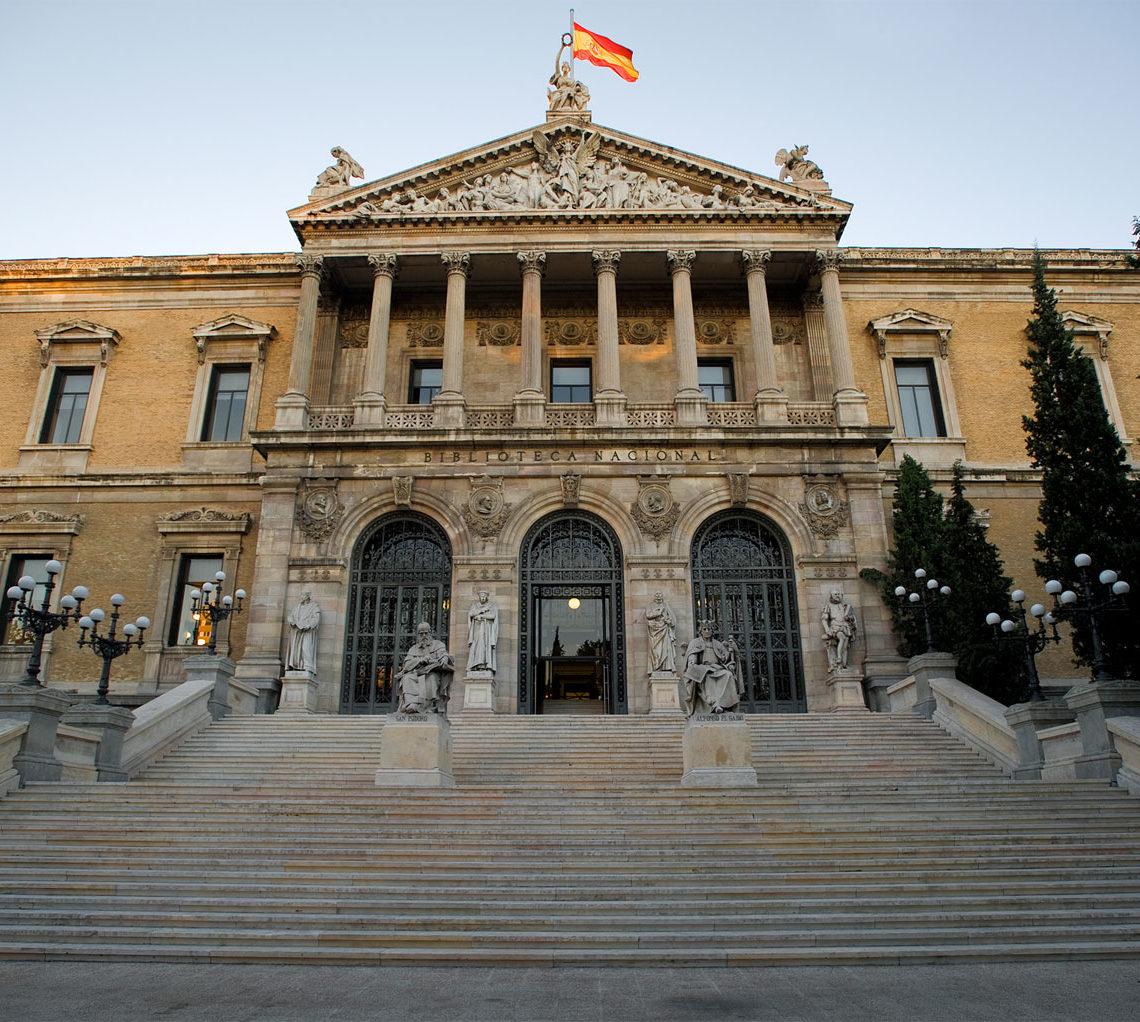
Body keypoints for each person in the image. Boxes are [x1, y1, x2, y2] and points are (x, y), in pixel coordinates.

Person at [683, 621, 743, 715]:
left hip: (718, 669)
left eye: (709, 629)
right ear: (701, 631)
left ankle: (724, 705)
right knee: (706, 676)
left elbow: (726, 659)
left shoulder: (718, 644)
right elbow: (692, 656)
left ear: (712, 631)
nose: (707, 631)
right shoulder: (695, 643)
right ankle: (715, 704)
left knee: (728, 675)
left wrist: (731, 664)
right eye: (704, 629)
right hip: (703, 668)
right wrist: (692, 662)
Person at [396, 622, 455, 715]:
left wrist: (444, 658)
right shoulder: (413, 649)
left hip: (432, 673)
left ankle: (427, 706)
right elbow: (407, 664)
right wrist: (420, 660)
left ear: (430, 633)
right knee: (407, 678)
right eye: (421, 634)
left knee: (430, 679)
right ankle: (411, 704)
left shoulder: (438, 644)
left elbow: (443, 653)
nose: (424, 636)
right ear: (418, 635)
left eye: (426, 633)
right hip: (416, 674)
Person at [821, 590, 858, 671]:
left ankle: (843, 665)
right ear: (832, 596)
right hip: (835, 626)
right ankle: (839, 657)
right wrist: (827, 630)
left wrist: (849, 618)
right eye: (835, 594)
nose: (837, 596)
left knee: (845, 647)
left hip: (845, 626)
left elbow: (851, 618)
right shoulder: (829, 606)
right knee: (841, 637)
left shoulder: (845, 606)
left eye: (838, 594)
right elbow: (824, 619)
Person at [286, 590, 320, 672]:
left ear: (308, 596)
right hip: (297, 631)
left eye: (303, 595)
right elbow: (291, 616)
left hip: (307, 631)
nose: (301, 597)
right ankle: (296, 666)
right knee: (296, 649)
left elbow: (315, 619)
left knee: (306, 648)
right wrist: (292, 621)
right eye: (301, 595)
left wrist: (308, 626)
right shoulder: (297, 607)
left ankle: (307, 666)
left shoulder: (314, 607)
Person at [467, 592, 499, 672]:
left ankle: (486, 665)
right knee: (477, 646)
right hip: (477, 629)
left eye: (484, 596)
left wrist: (482, 616)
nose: (483, 598)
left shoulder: (491, 606)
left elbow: (493, 615)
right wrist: (480, 611)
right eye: (481, 596)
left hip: (487, 630)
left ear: (486, 597)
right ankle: (476, 665)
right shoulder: (475, 606)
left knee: (485, 646)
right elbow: (470, 614)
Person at [645, 591, 677, 673]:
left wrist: (669, 621)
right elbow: (648, 615)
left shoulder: (666, 605)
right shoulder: (650, 606)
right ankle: (656, 666)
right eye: (656, 594)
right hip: (655, 630)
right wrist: (659, 612)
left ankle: (666, 666)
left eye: (660, 594)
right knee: (656, 650)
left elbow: (672, 617)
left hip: (665, 629)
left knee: (666, 648)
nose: (658, 596)